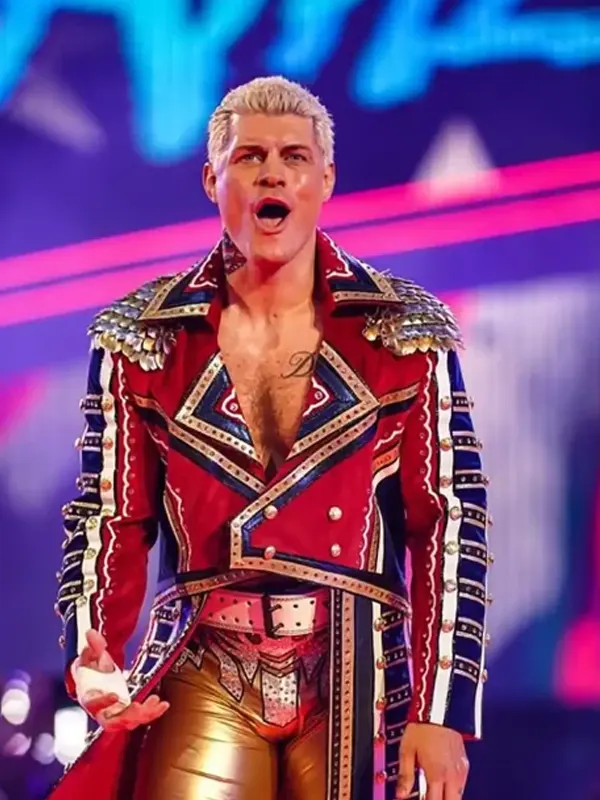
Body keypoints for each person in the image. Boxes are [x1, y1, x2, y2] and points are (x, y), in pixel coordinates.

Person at [50, 76, 490, 800]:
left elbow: (449, 519)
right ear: (212, 180)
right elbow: (109, 513)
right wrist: (92, 652)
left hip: (357, 663)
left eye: (294, 156)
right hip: (205, 659)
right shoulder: (142, 339)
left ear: (326, 180)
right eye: (250, 157)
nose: (273, 173)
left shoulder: (403, 332)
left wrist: (441, 710)